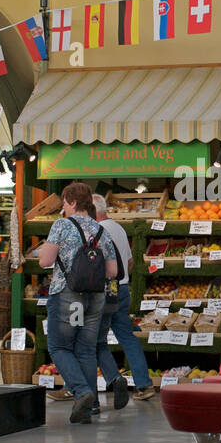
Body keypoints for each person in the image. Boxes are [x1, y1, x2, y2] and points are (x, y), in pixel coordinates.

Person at [36, 182, 117, 424]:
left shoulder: (62, 225)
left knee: (60, 347)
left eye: (64, 202)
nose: (63, 207)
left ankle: (82, 392)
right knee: (86, 349)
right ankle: (91, 406)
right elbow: (112, 271)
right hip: (96, 298)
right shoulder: (101, 229)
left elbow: (44, 261)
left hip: (68, 295)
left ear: (72, 203)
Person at [92, 194, 156, 402]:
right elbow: (129, 262)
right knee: (127, 337)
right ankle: (144, 385)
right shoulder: (118, 228)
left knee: (94, 340)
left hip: (105, 290)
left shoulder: (98, 230)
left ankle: (104, 380)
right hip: (122, 289)